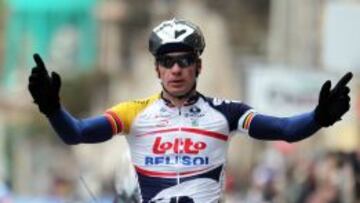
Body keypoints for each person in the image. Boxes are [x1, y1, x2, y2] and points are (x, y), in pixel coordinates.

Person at [28, 18, 352, 203]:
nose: (176, 69)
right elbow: (77, 133)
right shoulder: (133, 113)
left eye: (184, 60)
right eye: (167, 62)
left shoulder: (226, 113)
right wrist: (52, 108)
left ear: (198, 66)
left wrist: (319, 117)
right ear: (157, 70)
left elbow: (284, 130)